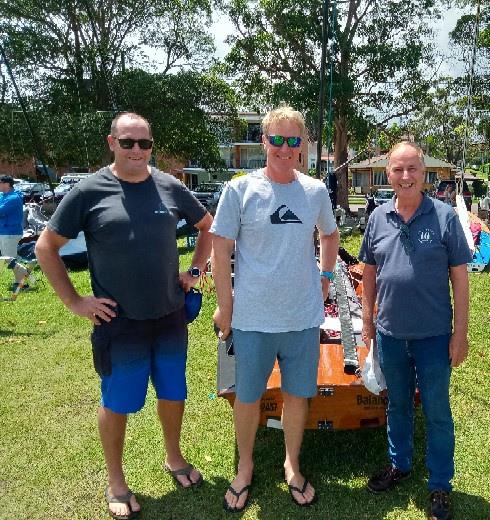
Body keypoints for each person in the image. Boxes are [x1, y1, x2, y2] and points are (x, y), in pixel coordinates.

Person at [35, 112, 213, 520]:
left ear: (152, 145)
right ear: (112, 142)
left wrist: (196, 272)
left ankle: (174, 457)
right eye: (128, 142)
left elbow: (207, 226)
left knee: (173, 392)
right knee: (118, 401)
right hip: (120, 325)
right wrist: (76, 302)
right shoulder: (88, 191)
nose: (137, 150)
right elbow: (47, 247)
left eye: (144, 143)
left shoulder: (169, 185)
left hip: (170, 317)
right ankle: (116, 481)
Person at [211, 106, 339, 512]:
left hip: (302, 317)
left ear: (303, 146)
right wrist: (225, 305)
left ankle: (292, 464)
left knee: (297, 395)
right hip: (251, 319)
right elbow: (220, 247)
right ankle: (245, 467)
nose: (285, 148)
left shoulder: (316, 191)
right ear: (264, 141)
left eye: (294, 140)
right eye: (277, 139)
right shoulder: (240, 190)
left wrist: (325, 279)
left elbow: (330, 235)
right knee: (248, 396)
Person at [359, 141, 472, 520]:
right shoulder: (376, 217)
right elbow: (369, 272)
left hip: (435, 336)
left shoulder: (444, 217)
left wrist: (460, 333)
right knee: (398, 404)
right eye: (398, 169)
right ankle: (400, 464)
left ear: (424, 174)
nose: (405, 176)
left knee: (437, 411)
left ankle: (440, 484)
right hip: (390, 334)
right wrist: (368, 323)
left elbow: (460, 277)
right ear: (387, 174)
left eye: (412, 169)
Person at [0, 175, 24, 257]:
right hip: (4, 231)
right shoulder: (3, 195)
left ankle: (26, 268)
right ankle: (27, 264)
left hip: (10, 232)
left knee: (9, 259)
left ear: (7, 184)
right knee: (8, 257)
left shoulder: (13, 198)